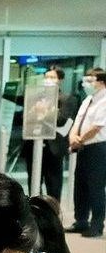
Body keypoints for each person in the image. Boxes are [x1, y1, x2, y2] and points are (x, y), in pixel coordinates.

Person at [26, 67, 78, 202]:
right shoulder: (35, 97)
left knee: (53, 184)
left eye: (52, 77)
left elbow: (62, 119)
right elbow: (27, 116)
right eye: (47, 77)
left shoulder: (67, 99)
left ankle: (54, 213)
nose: (48, 80)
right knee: (34, 183)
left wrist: (44, 110)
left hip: (54, 147)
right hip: (34, 144)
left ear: (60, 80)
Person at [67, 68, 106, 237]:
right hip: (83, 147)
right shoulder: (88, 100)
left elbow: (97, 127)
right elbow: (77, 121)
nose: (86, 83)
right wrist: (73, 137)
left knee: (95, 186)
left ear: (101, 81)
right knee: (80, 185)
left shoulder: (104, 100)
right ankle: (81, 220)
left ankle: (97, 225)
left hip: (97, 148)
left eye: (90, 80)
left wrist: (80, 139)